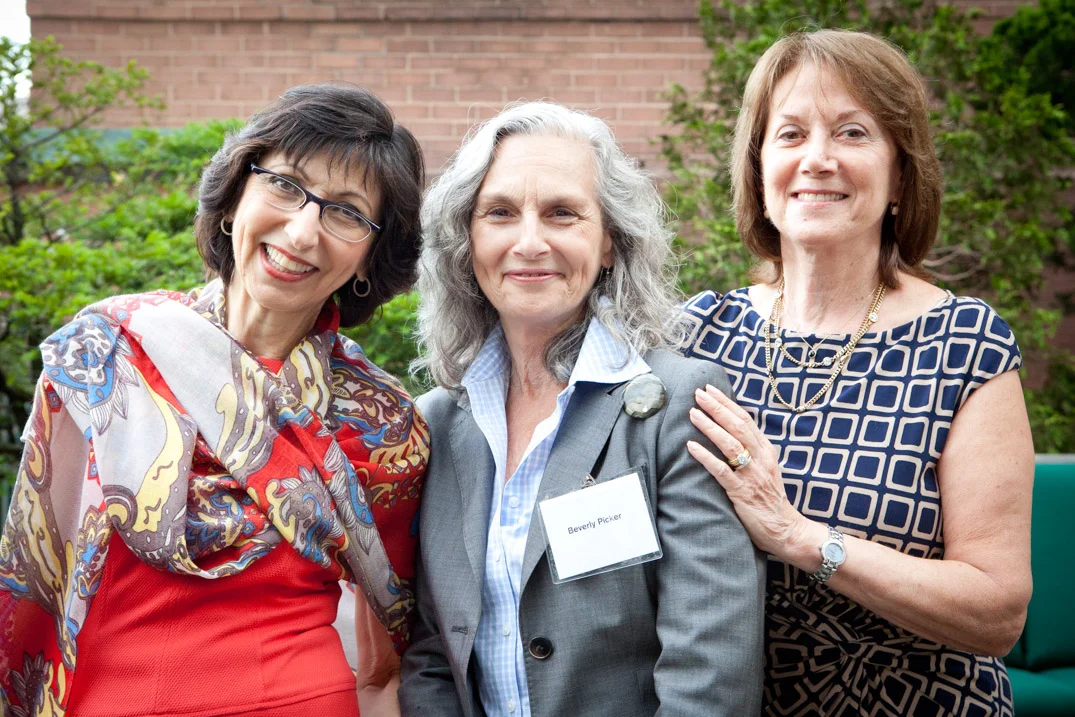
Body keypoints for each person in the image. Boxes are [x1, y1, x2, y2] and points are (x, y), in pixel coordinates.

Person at [0, 84, 429, 717]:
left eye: (346, 213)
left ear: (369, 255)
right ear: (234, 198)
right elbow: (31, 581)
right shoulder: (105, 354)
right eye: (286, 185)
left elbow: (389, 653)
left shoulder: (384, 422)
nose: (303, 230)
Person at [681, 30, 1033, 716]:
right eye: (789, 135)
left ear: (900, 175)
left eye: (850, 132)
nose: (817, 159)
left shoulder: (964, 343)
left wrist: (797, 537)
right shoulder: (696, 332)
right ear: (758, 171)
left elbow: (995, 613)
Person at [398, 101, 766, 717]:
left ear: (610, 245)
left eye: (563, 214)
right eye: (500, 213)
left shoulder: (676, 408)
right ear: (467, 242)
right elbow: (432, 650)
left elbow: (710, 669)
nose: (530, 241)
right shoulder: (435, 423)